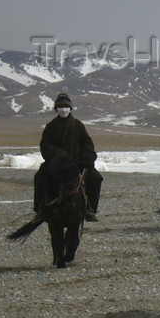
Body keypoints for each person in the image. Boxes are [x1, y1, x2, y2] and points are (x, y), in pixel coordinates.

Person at [33, 93, 103, 222]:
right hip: (56, 164)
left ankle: (90, 209)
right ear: (56, 108)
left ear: (70, 108)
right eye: (60, 106)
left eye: (66, 106)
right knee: (39, 177)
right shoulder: (50, 127)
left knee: (96, 179)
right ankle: (40, 210)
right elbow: (45, 146)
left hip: (78, 163)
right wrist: (59, 156)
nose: (63, 109)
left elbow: (87, 143)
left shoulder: (78, 125)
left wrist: (86, 158)